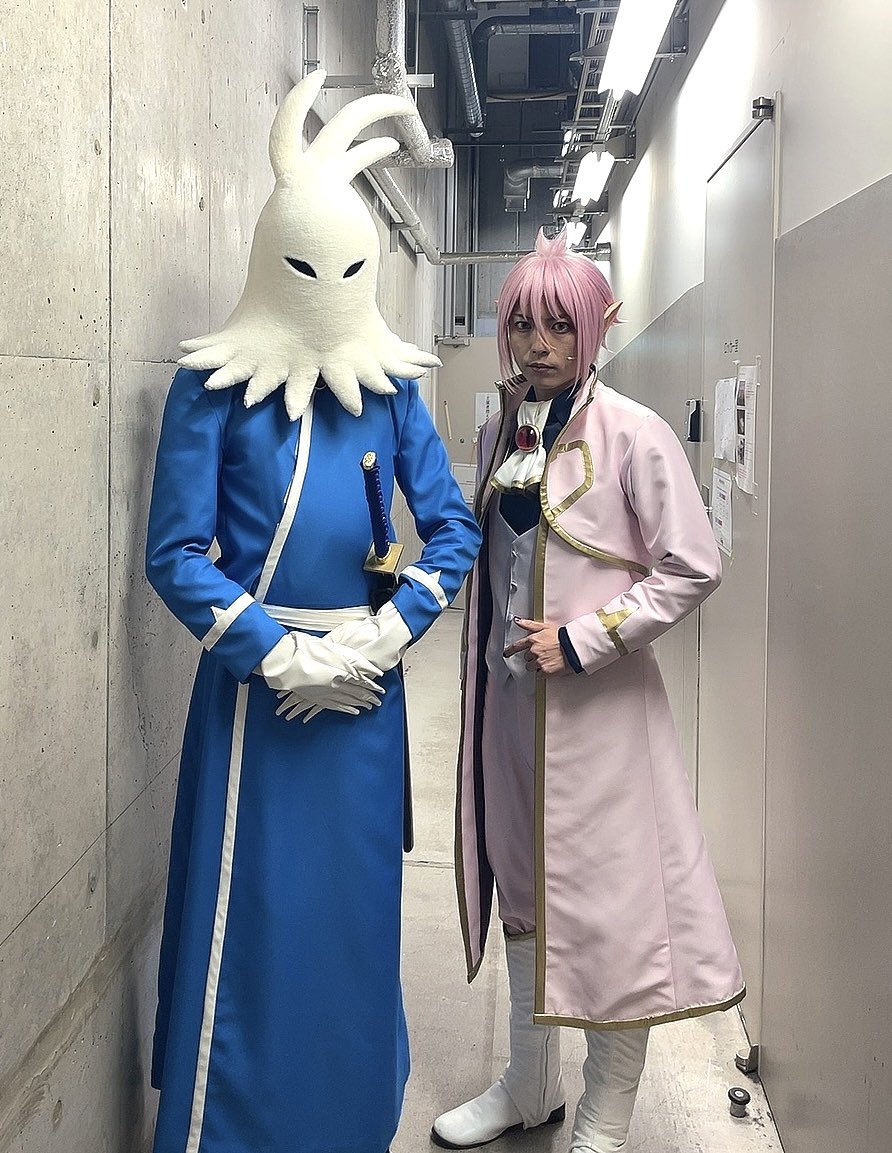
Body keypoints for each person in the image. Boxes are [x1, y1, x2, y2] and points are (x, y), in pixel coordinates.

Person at [145, 70, 481, 1153]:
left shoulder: (391, 391)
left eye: (347, 266)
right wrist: (279, 653)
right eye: (305, 263)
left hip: (366, 702)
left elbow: (455, 529)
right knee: (253, 920)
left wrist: (385, 634)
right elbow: (175, 555)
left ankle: (347, 1122)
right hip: (258, 704)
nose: (327, 285)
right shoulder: (210, 391)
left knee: (350, 924)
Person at [432, 229, 744, 1153]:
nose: (539, 345)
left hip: (602, 721)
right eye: (523, 324)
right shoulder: (500, 431)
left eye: (559, 326)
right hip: (507, 715)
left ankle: (605, 1119)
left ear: (595, 326)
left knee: (613, 912)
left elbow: (694, 565)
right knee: (522, 889)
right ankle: (531, 1085)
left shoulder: (636, 432)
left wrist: (585, 638)